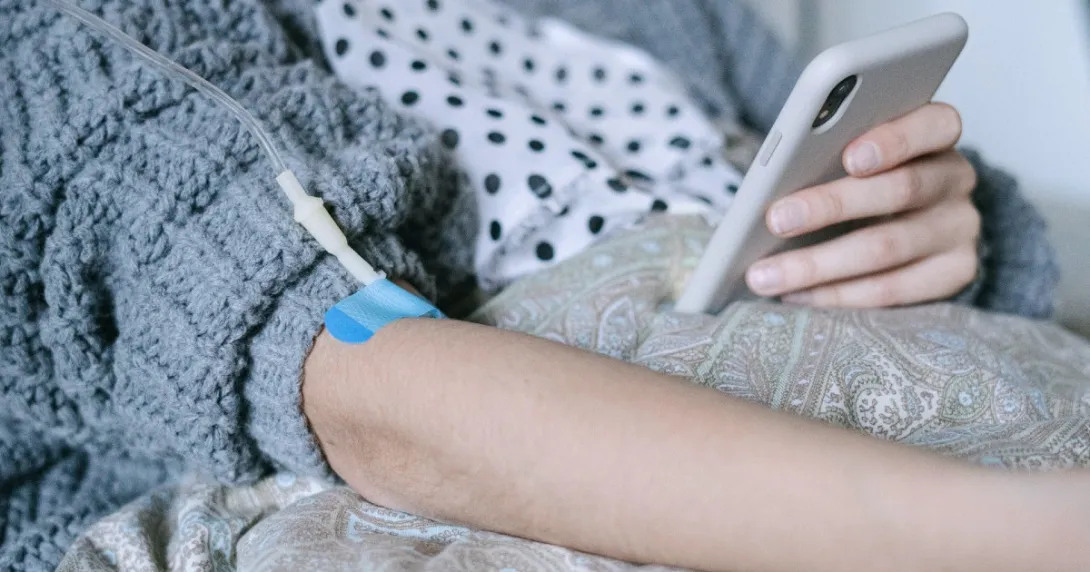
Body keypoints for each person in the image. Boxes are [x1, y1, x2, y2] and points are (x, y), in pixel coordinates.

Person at [0, 0, 1072, 571]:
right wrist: (1024, 533)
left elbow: (813, 183)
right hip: (489, 449)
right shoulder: (73, 50)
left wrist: (928, 221)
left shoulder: (666, 17)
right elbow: (373, 393)